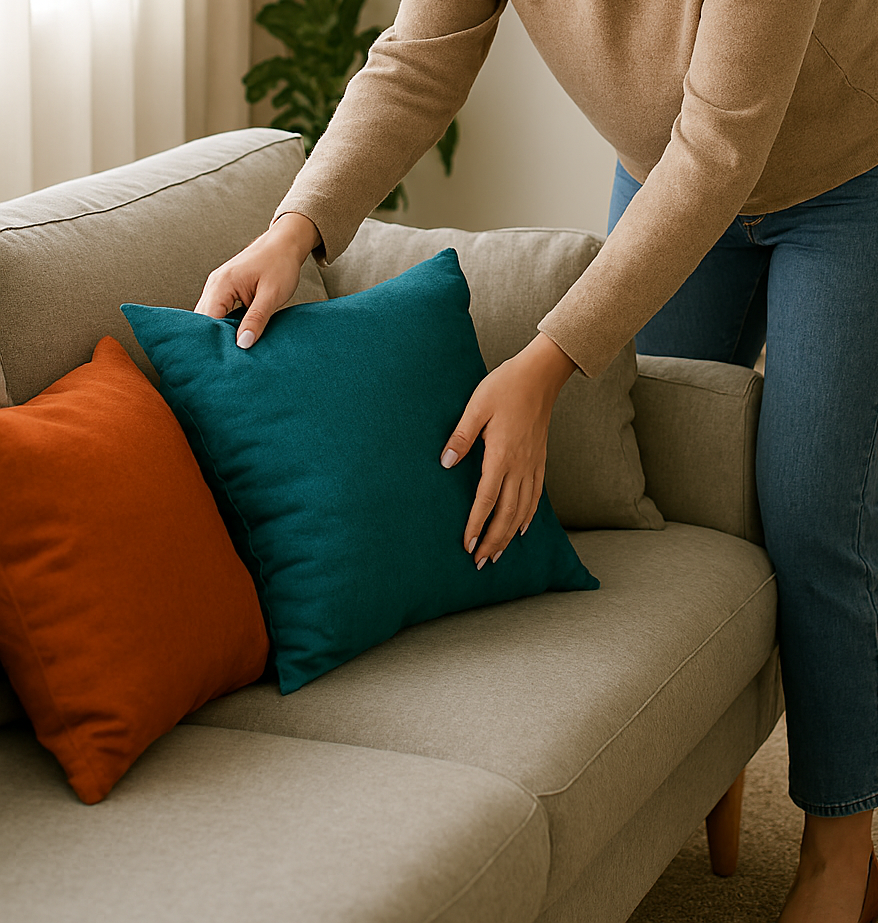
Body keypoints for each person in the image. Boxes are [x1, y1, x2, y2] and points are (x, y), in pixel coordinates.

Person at [195, 2, 878, 919]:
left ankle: (843, 850)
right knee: (663, 482)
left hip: (847, 172)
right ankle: (717, 763)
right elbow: (419, 60)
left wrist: (547, 364)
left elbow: (725, 149)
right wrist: (296, 227)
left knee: (812, 506)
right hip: (669, 168)